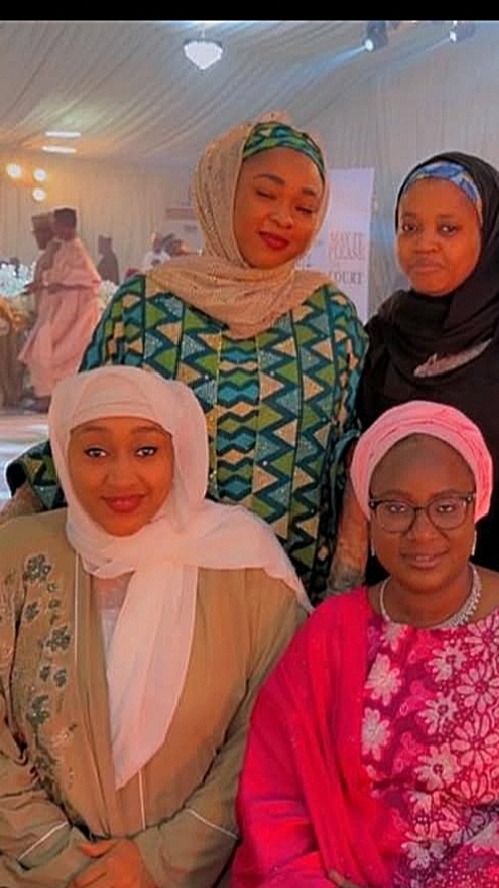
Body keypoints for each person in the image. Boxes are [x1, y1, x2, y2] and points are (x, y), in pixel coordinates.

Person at [229, 400, 499, 888]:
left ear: (476, 509)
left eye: (446, 506)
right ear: (370, 515)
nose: (421, 532)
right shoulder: (329, 635)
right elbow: (274, 797)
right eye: (395, 507)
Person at [4, 114, 367, 602]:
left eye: (305, 207)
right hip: (151, 592)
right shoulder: (146, 307)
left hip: (291, 597)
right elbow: (85, 430)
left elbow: (353, 455)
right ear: (221, 190)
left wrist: (344, 591)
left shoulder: (330, 318)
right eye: (266, 194)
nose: (285, 217)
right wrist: (20, 513)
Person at [0, 364, 307, 888]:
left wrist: (159, 863)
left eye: (146, 450)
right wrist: (75, 870)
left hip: (208, 884)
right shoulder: (16, 558)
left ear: (179, 452)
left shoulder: (248, 568)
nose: (121, 477)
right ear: (64, 456)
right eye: (95, 452)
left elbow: (271, 736)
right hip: (38, 883)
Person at [331, 153, 499, 592]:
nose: (424, 244)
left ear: (492, 234)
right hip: (401, 586)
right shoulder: (385, 333)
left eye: (448, 229)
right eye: (410, 227)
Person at [17, 208, 102, 411]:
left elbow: (90, 280)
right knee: (41, 350)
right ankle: (47, 395)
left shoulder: (78, 251)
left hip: (74, 316)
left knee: (54, 353)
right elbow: (57, 276)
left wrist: (54, 284)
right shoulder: (62, 248)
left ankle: (53, 397)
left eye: (56, 225)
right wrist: (42, 284)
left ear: (66, 226)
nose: (53, 229)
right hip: (58, 311)